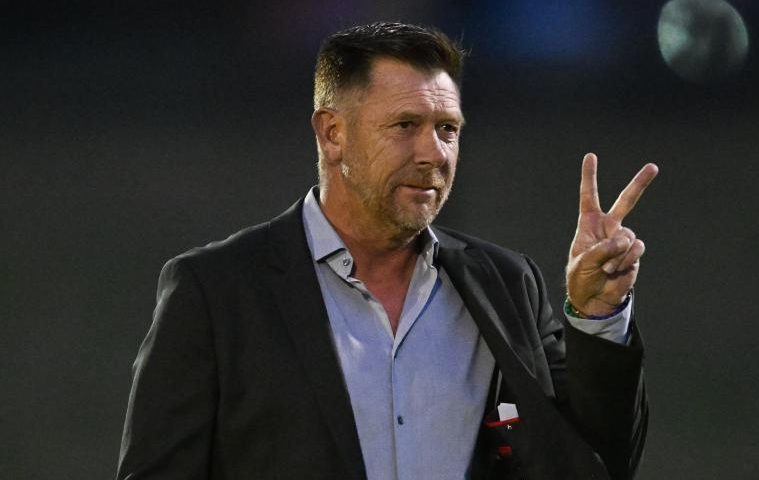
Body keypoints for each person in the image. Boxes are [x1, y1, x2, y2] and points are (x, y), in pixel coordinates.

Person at [116, 22, 657, 480]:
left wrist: (597, 315)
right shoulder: (215, 293)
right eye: (405, 125)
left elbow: (597, 460)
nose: (433, 153)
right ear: (333, 133)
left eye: (447, 129)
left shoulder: (507, 283)